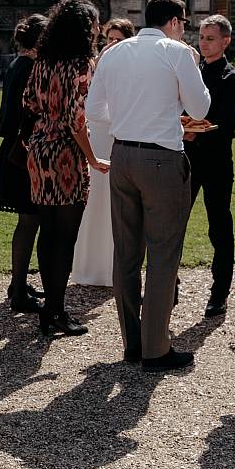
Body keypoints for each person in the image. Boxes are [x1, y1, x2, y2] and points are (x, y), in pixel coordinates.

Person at [87, 0, 210, 372]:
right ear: (174, 21)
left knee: (126, 252)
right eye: (184, 23)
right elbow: (201, 108)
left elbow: (94, 110)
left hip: (122, 153)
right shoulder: (176, 52)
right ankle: (156, 349)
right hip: (162, 156)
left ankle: (132, 342)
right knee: (162, 253)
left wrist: (130, 114)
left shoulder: (113, 52)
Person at [22, 0, 111, 338]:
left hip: (40, 147)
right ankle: (56, 311)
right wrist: (91, 158)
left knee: (48, 232)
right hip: (66, 153)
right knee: (66, 235)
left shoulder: (42, 60)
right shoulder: (82, 64)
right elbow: (77, 118)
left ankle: (50, 309)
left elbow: (28, 102)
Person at [183, 15, 235, 318]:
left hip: (217, 161)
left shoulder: (233, 79)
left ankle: (219, 292)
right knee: (174, 222)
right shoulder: (190, 72)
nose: (204, 42)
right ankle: (168, 286)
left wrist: (193, 129)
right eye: (202, 37)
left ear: (225, 41)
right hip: (185, 158)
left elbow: (224, 123)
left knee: (219, 226)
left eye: (210, 38)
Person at [72, 18, 133, 288]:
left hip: (117, 136)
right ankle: (85, 267)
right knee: (91, 202)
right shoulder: (93, 65)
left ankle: (111, 268)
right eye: (109, 39)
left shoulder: (130, 69)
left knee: (115, 205)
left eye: (118, 40)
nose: (111, 45)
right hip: (95, 137)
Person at [0, 14, 49, 311]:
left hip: (13, 148)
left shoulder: (18, 63)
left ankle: (18, 282)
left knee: (27, 220)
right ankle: (18, 292)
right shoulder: (31, 67)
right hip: (23, 150)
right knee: (30, 220)